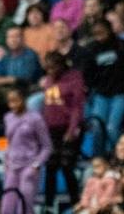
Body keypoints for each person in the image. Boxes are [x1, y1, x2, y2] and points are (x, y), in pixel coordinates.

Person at [83, 18, 124, 156]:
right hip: (101, 94)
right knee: (97, 127)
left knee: (112, 128)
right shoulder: (91, 49)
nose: (99, 35)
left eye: (102, 31)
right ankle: (99, 158)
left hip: (119, 93)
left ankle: (117, 155)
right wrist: (91, 87)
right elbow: (87, 73)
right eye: (96, 33)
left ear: (109, 29)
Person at [41, 51, 85, 210]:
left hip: (68, 128)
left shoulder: (74, 78)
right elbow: (47, 107)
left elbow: (77, 107)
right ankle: (48, 205)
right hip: (51, 129)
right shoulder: (48, 80)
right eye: (47, 68)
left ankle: (76, 203)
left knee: (67, 165)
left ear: (61, 65)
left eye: (53, 68)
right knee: (51, 167)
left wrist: (72, 130)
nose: (50, 71)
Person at [1, 87, 51, 214]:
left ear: (23, 100)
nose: (13, 105)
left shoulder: (36, 118)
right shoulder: (7, 117)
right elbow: (8, 142)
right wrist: (6, 160)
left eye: (16, 101)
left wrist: (36, 165)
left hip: (29, 166)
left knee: (24, 204)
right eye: (10, 102)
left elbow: (47, 146)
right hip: (12, 165)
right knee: (7, 203)